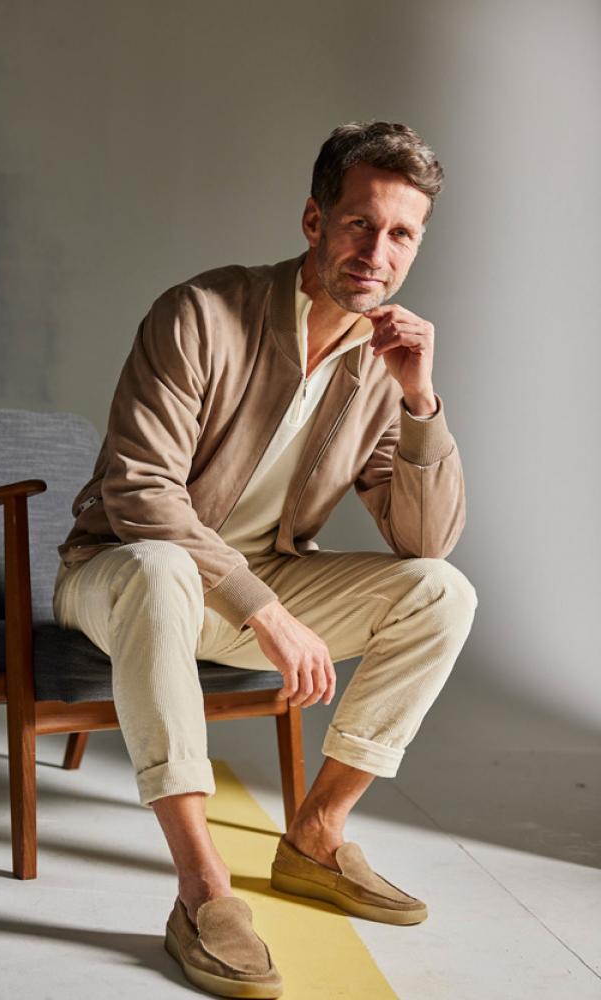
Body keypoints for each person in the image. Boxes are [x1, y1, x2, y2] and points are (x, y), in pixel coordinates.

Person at [53, 120, 478, 999]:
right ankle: (202, 891)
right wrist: (265, 609)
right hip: (119, 571)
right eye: (360, 223)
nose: (378, 252)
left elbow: (424, 542)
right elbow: (141, 493)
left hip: (257, 584)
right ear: (314, 220)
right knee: (162, 569)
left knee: (442, 592)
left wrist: (420, 400)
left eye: (402, 234)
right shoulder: (202, 313)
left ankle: (316, 836)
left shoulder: (381, 360)